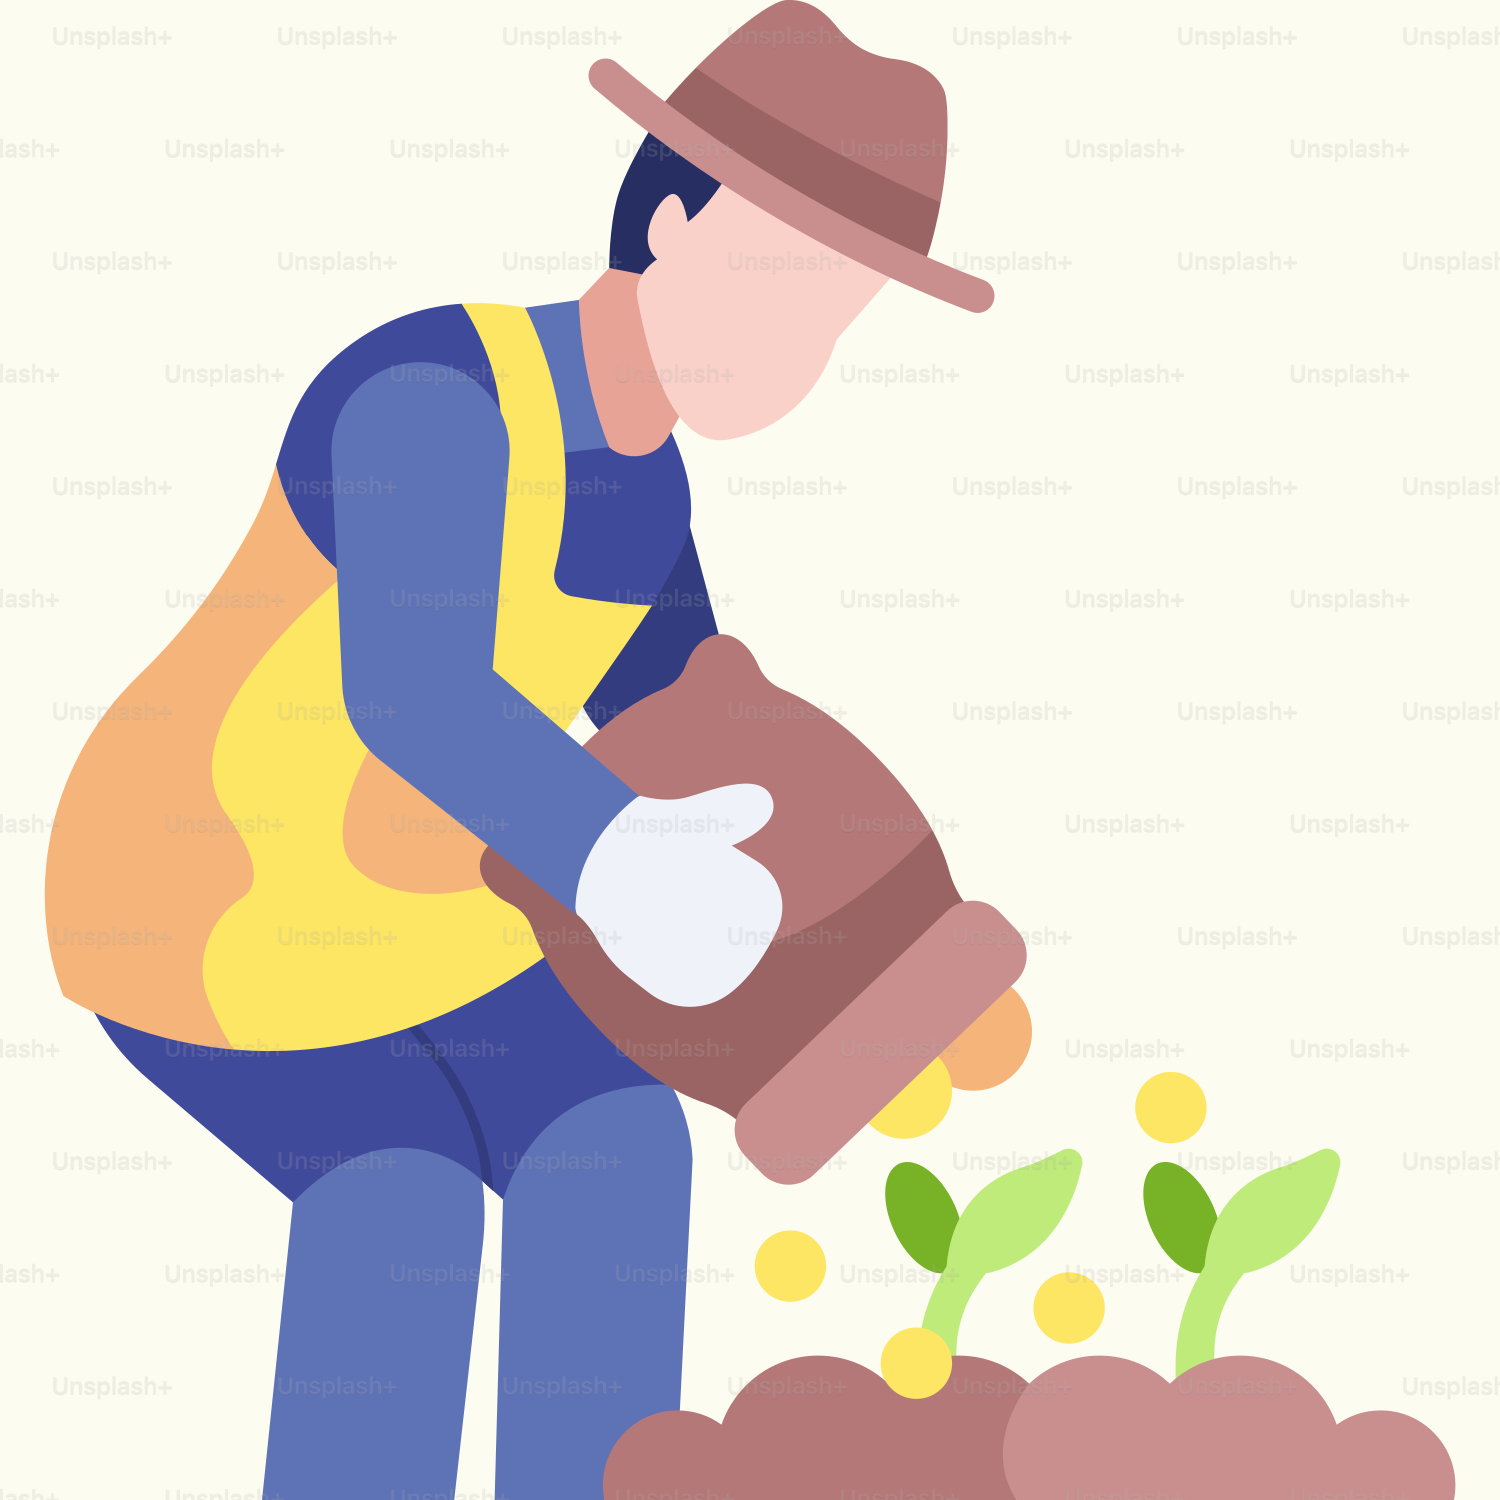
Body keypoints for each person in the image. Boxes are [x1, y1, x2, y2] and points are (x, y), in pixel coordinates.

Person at [44, 6, 997, 1495]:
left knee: (620, 1151)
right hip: (200, 904)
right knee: (398, 1202)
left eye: (839, 317)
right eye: (782, 281)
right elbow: (415, 698)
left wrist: (868, 959)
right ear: (668, 221)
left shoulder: (648, 499)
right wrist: (613, 853)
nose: (803, 348)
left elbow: (705, 731)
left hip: (426, 921)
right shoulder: (435, 394)